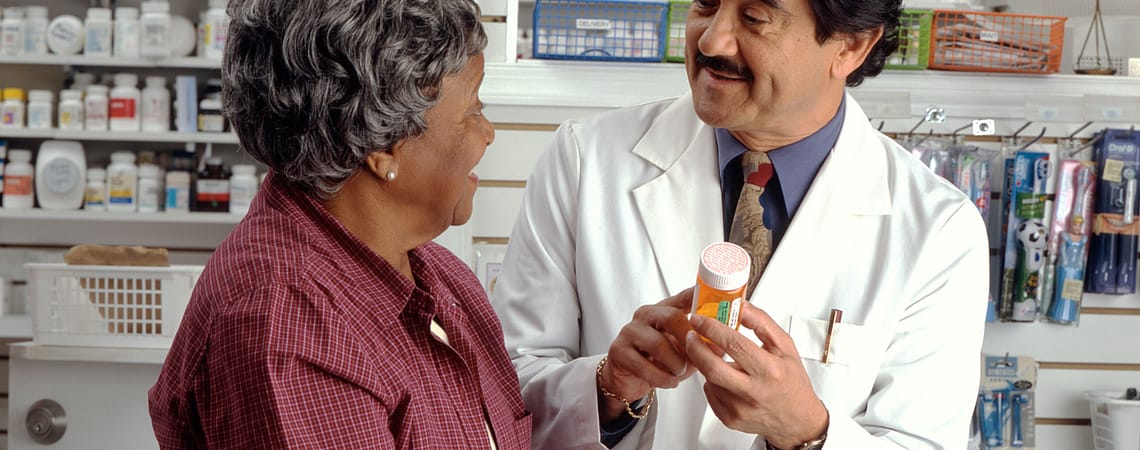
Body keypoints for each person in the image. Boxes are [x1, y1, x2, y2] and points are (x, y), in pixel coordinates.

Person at [490, 0, 988, 448]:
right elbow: (500, 393)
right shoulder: (585, 160)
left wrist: (807, 432)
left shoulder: (940, 232)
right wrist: (607, 387)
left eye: (754, 18)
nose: (710, 40)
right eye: (706, 3)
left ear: (852, 46)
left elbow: (922, 441)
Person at [148, 0, 532, 448]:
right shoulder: (285, 324)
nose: (488, 132)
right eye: (471, 109)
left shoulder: (444, 280)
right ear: (384, 144)